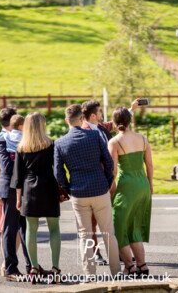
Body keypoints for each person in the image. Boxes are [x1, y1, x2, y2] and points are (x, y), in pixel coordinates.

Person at [54, 104, 121, 276]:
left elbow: (58, 173)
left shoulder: (60, 143)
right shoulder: (94, 136)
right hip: (99, 188)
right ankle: (116, 271)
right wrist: (107, 182)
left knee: (84, 235)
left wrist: (68, 188)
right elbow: (108, 162)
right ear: (82, 118)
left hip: (78, 192)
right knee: (108, 233)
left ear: (66, 120)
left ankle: (90, 274)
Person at [80, 99, 140, 266]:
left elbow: (116, 124)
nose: (101, 115)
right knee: (92, 221)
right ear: (92, 115)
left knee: (111, 219)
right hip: (94, 183)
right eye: (99, 112)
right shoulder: (82, 131)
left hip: (108, 180)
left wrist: (131, 109)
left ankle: (120, 253)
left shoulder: (100, 127)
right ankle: (96, 253)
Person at [12, 112, 63, 281]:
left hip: (29, 190)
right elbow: (57, 170)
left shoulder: (21, 147)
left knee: (31, 230)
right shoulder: (51, 145)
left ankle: (33, 268)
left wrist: (18, 198)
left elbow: (18, 177)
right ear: (42, 125)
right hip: (49, 188)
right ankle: (55, 268)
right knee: (54, 228)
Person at [108, 107, 153, 277]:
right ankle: (142, 265)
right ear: (130, 121)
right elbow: (149, 165)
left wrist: (111, 190)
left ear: (114, 122)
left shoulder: (114, 142)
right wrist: (150, 185)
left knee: (118, 228)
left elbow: (112, 172)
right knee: (134, 228)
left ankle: (129, 266)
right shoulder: (142, 138)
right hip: (143, 185)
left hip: (127, 186)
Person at [0, 108, 31, 281]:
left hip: (25, 188)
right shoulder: (0, 141)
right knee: (10, 228)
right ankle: (10, 268)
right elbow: (7, 167)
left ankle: (32, 266)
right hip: (8, 188)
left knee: (26, 228)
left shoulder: (23, 139)